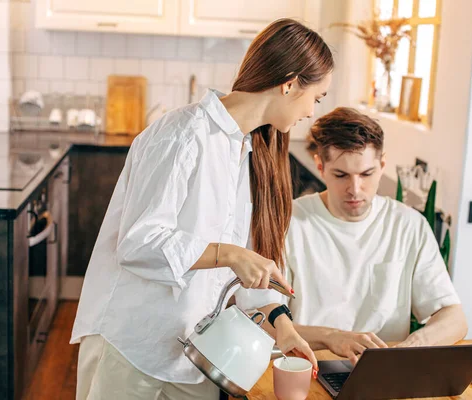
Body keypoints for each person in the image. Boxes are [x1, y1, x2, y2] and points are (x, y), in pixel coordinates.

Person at [70, 18, 334, 400]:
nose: (312, 111)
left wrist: (283, 325)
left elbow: (245, 273)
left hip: (197, 355)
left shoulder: (250, 154)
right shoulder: (181, 134)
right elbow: (138, 244)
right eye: (317, 97)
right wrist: (228, 254)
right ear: (290, 83)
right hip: (132, 347)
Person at [243, 107, 468, 366]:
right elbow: (260, 315)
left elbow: (454, 318)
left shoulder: (409, 225)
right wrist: (332, 338)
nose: (355, 189)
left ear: (382, 166)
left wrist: (408, 348)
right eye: (341, 175)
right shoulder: (288, 222)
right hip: (305, 367)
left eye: (366, 174)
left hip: (383, 372)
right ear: (320, 166)